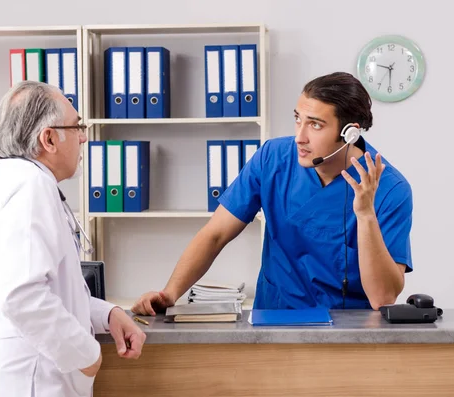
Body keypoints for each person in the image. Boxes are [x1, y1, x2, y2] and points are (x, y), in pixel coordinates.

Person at [132, 72, 413, 314]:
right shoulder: (273, 158)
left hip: (348, 331)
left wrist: (365, 216)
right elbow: (215, 234)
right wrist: (170, 294)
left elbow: (383, 298)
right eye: (298, 119)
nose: (300, 136)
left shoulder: (390, 189)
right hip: (274, 320)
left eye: (315, 124)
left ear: (350, 133)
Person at [0, 81, 146, 397]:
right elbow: (22, 296)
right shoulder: (29, 188)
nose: (83, 137)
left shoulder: (15, 182)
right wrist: (85, 355)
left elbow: (46, 288)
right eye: (76, 127)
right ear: (49, 138)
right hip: (21, 381)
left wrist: (107, 313)